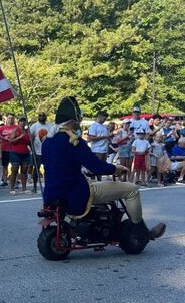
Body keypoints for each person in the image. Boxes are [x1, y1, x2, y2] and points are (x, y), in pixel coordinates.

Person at [42, 96, 165, 243]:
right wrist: (116, 169)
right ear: (72, 121)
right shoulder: (73, 141)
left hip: (52, 193)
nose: (79, 124)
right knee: (132, 190)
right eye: (78, 121)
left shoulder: (47, 141)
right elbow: (97, 167)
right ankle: (142, 233)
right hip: (75, 192)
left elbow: (62, 166)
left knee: (97, 185)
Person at [29, 112, 55, 191]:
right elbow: (31, 138)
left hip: (48, 152)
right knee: (36, 170)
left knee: (48, 169)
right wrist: (32, 149)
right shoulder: (34, 126)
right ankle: (34, 186)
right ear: (38, 117)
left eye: (43, 115)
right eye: (40, 115)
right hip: (38, 152)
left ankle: (48, 185)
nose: (42, 117)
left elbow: (52, 137)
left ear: (46, 117)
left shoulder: (50, 126)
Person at [8, 117, 31, 195]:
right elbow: (11, 141)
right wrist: (19, 137)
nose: (23, 123)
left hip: (25, 153)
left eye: (24, 121)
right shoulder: (15, 130)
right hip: (15, 153)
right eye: (21, 121)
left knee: (24, 171)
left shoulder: (27, 131)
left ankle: (24, 188)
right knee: (14, 171)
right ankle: (12, 189)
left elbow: (29, 142)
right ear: (19, 122)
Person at [87, 111, 111, 181]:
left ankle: (99, 181)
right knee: (95, 167)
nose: (104, 120)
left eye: (105, 119)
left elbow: (106, 137)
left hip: (104, 150)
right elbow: (91, 138)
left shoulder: (104, 127)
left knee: (101, 168)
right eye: (104, 118)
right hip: (97, 150)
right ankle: (93, 181)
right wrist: (104, 136)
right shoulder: (94, 126)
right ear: (99, 117)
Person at [0, 114, 17, 187]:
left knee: (14, 166)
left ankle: (14, 181)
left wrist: (12, 138)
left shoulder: (16, 127)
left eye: (12, 118)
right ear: (7, 119)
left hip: (14, 149)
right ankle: (5, 181)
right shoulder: (2, 128)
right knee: (5, 166)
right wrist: (5, 138)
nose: (10, 119)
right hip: (4, 149)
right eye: (9, 118)